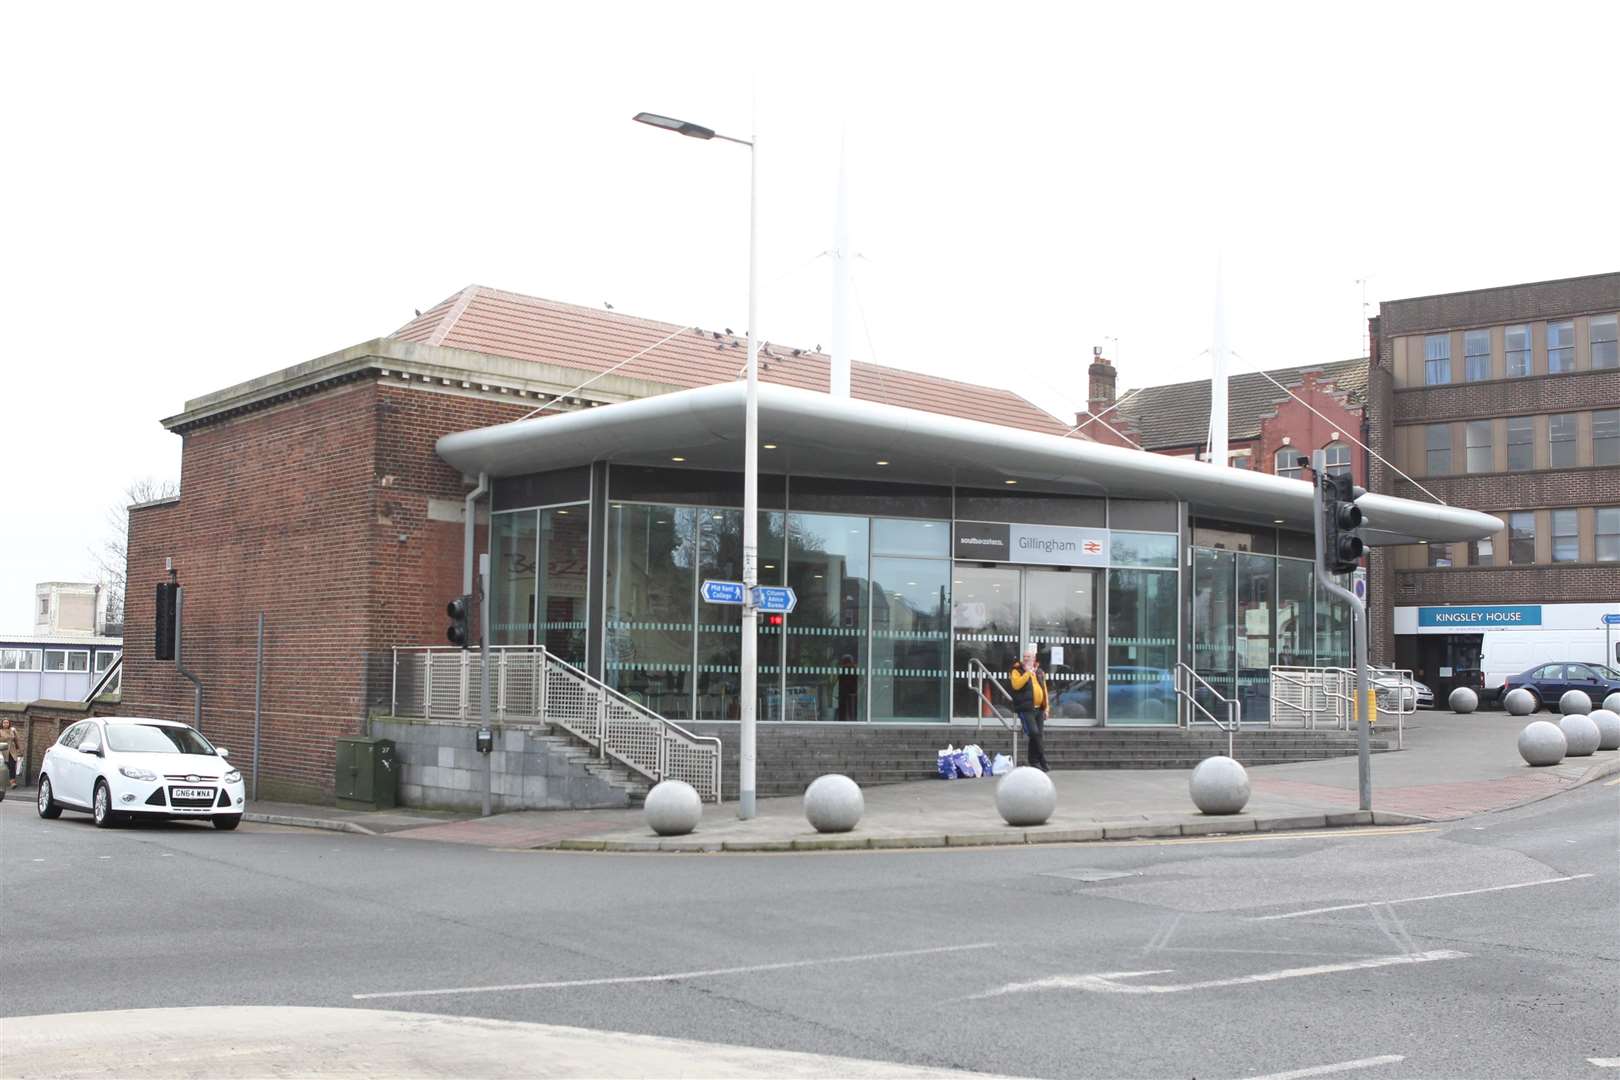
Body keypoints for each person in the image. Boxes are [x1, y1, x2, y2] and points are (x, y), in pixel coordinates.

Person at [1008, 646, 1050, 772]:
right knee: (1033, 733)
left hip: (1039, 709)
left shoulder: (1040, 672)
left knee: (1038, 735)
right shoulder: (1017, 670)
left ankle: (1034, 761)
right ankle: (1042, 758)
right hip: (1026, 708)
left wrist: (1047, 708)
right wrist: (1027, 673)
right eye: (1024, 657)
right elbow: (1016, 685)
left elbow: (1045, 690)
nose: (1026, 659)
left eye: (1029, 657)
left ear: (1034, 659)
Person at [0, 715, 19, 788]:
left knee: (12, 766)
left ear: (9, 723)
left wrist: (18, 749)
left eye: (7, 722)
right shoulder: (0, 731)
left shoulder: (12, 730)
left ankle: (12, 782)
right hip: (3, 751)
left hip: (12, 751)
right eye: (4, 723)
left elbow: (16, 740)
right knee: (5, 766)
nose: (6, 724)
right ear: (2, 724)